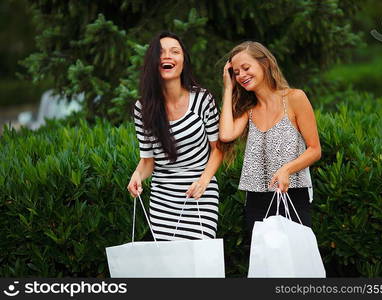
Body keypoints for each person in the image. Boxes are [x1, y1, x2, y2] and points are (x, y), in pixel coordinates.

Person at [219, 41, 321, 241]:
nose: (241, 76)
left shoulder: (295, 98)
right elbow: (226, 134)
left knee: (295, 265)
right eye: (236, 72)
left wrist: (286, 169)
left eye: (246, 68)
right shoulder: (248, 108)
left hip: (292, 193)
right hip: (256, 201)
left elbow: (315, 150)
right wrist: (228, 89)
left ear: (264, 63)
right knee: (264, 265)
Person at [127, 31, 223, 241]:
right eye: (160, 52)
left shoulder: (203, 99)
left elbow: (218, 149)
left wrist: (204, 181)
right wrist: (137, 176)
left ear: (183, 61)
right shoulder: (142, 108)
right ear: (153, 62)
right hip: (163, 199)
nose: (167, 56)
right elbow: (147, 161)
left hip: (200, 194)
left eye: (175, 51)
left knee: (199, 265)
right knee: (169, 268)